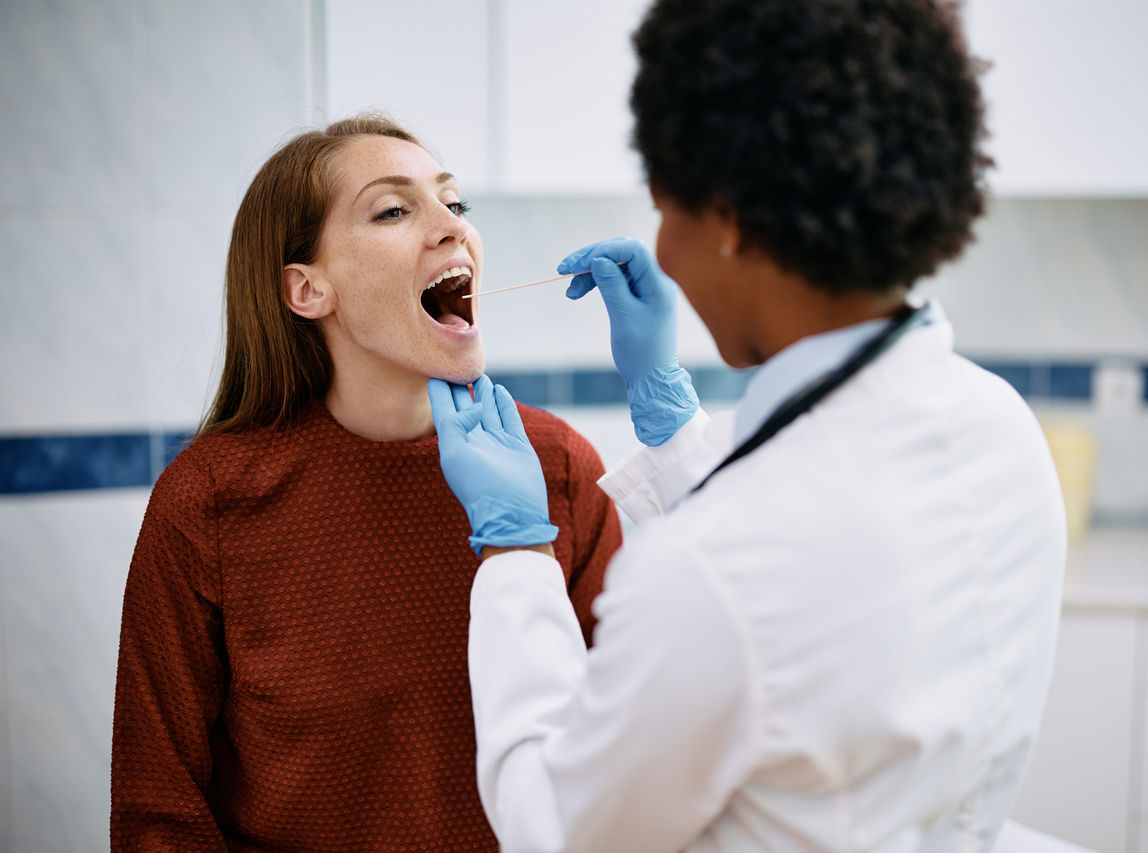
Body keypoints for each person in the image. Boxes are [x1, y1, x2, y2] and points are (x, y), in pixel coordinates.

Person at [429, 0, 1068, 850]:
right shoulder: (999, 427)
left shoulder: (708, 576)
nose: (664, 246)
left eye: (666, 207)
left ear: (725, 217)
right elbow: (809, 576)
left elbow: (558, 829)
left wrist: (515, 557)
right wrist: (672, 421)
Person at [110, 114, 622, 850]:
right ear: (307, 289)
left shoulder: (560, 467)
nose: (452, 227)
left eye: (455, 203)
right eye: (393, 209)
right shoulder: (207, 503)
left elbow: (633, 749)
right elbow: (158, 812)